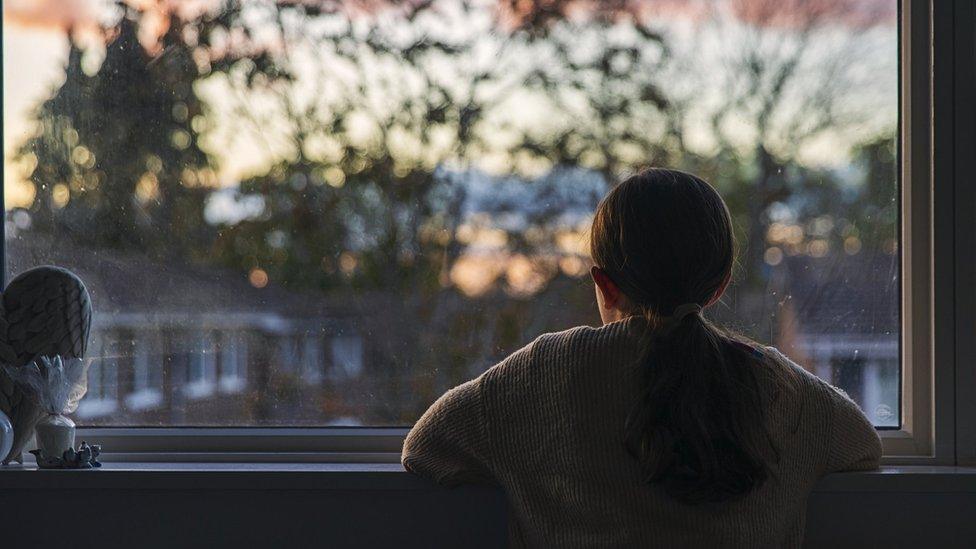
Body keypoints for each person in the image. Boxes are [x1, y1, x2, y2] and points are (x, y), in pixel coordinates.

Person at [402, 168, 882, 547]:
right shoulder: (774, 383)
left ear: (604, 283)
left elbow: (425, 447)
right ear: (718, 287)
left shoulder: (547, 371)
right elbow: (862, 445)